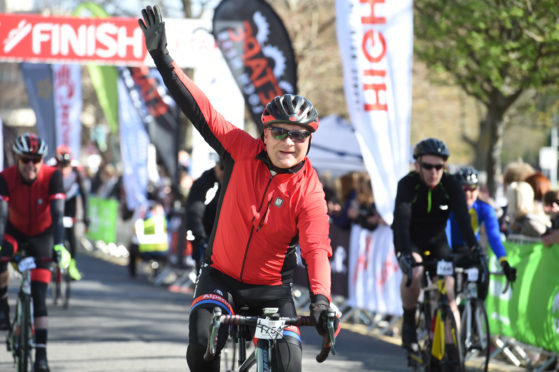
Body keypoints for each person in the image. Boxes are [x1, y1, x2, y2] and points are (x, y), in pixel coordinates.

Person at [139, 6, 339, 371]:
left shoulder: (310, 191)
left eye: (298, 135)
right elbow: (199, 106)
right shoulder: (240, 149)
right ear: (265, 133)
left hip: (271, 293)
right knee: (201, 344)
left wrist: (322, 301)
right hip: (221, 278)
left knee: (288, 365)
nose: (288, 142)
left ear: (309, 140)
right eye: (279, 131)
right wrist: (163, 59)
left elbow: (316, 248)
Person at [392, 138, 479, 353]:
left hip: (438, 242)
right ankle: (409, 320)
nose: (434, 172)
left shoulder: (450, 185)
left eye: (439, 167)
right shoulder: (407, 184)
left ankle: (453, 353)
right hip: (412, 241)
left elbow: (463, 221)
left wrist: (475, 248)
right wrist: (403, 253)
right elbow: (401, 222)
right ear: (417, 166)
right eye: (428, 166)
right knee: (416, 270)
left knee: (449, 297)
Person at [0, 133, 71, 372]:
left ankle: (41, 354)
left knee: (39, 297)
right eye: (25, 160)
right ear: (17, 159)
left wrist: (59, 246)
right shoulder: (5, 178)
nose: (30, 165)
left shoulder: (53, 176)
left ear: (42, 160)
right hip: (14, 232)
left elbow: (59, 216)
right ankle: (2, 304)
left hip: (43, 235)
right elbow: (1, 219)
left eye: (36, 159)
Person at [447, 166, 517, 299]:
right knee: (448, 292)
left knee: (483, 271)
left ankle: (477, 308)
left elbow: (494, 237)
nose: (468, 193)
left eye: (472, 188)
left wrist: (504, 261)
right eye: (464, 189)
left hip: (471, 250)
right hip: (450, 249)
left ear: (478, 190)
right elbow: (445, 231)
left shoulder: (484, 208)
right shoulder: (449, 207)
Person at [54, 145, 89, 281]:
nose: (63, 169)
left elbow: (85, 194)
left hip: (70, 201)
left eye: (66, 165)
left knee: (71, 232)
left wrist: (85, 216)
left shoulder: (77, 171)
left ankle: (72, 264)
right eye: (60, 166)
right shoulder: (50, 169)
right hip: (55, 197)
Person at [184, 160, 224, 275]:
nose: (224, 172)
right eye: (222, 168)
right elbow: (194, 211)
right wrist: (201, 237)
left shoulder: (232, 183)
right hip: (204, 236)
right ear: (216, 166)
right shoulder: (204, 183)